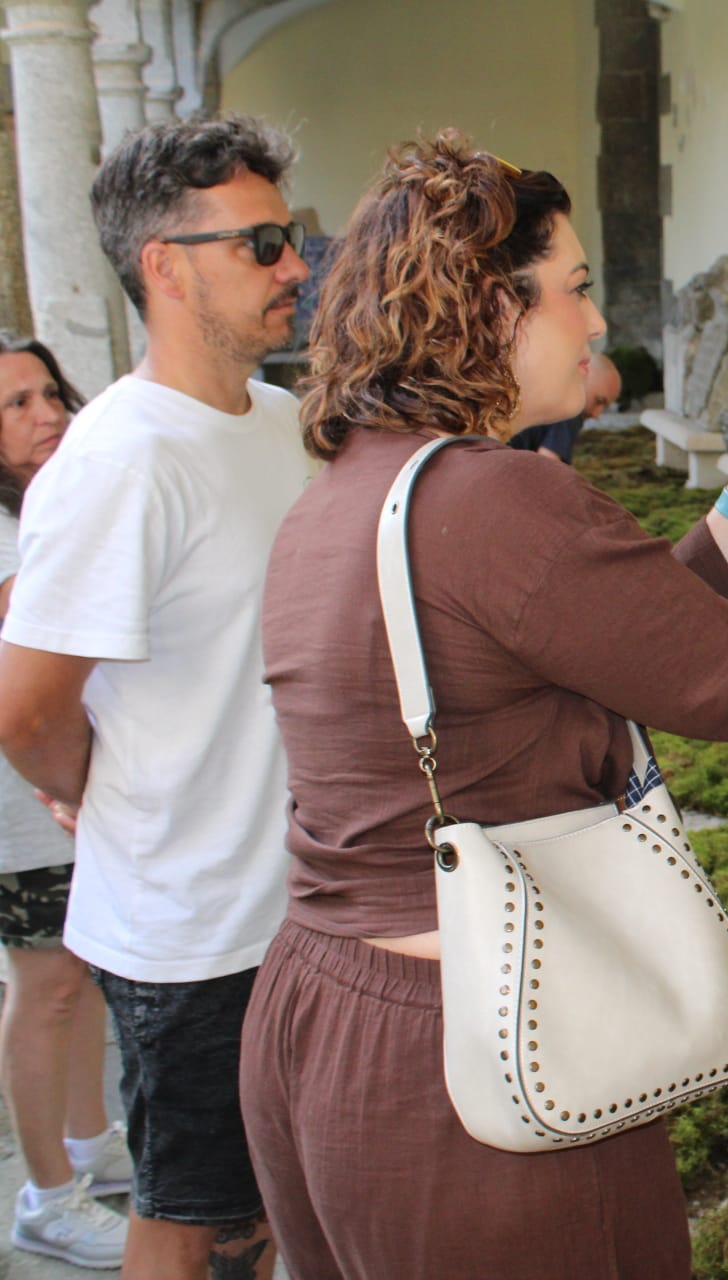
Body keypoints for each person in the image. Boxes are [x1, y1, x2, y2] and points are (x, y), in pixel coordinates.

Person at [238, 132, 728, 1279]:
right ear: (491, 305)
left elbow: (624, 630)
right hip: (479, 1039)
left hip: (324, 1020)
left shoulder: (356, 493)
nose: (596, 322)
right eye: (575, 288)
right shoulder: (497, 497)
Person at [0, 116, 313, 1280]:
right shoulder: (118, 457)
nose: (294, 264)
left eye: (290, 235)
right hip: (190, 928)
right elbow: (27, 707)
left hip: (300, 903)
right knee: (194, 1228)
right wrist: (99, 788)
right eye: (262, 242)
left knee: (267, 1214)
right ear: (165, 266)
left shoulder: (283, 423)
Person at [0, 335, 132, 1270]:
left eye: (49, 392)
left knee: (74, 973)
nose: (46, 413)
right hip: (22, 804)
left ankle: (90, 1146)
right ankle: (47, 1195)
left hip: (59, 792)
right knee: (44, 987)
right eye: (16, 403)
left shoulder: (35, 504)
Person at [508, 350, 621, 462]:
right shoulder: (570, 409)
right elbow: (548, 462)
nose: (596, 414)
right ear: (584, 374)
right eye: (599, 401)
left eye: (604, 407)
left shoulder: (547, 388)